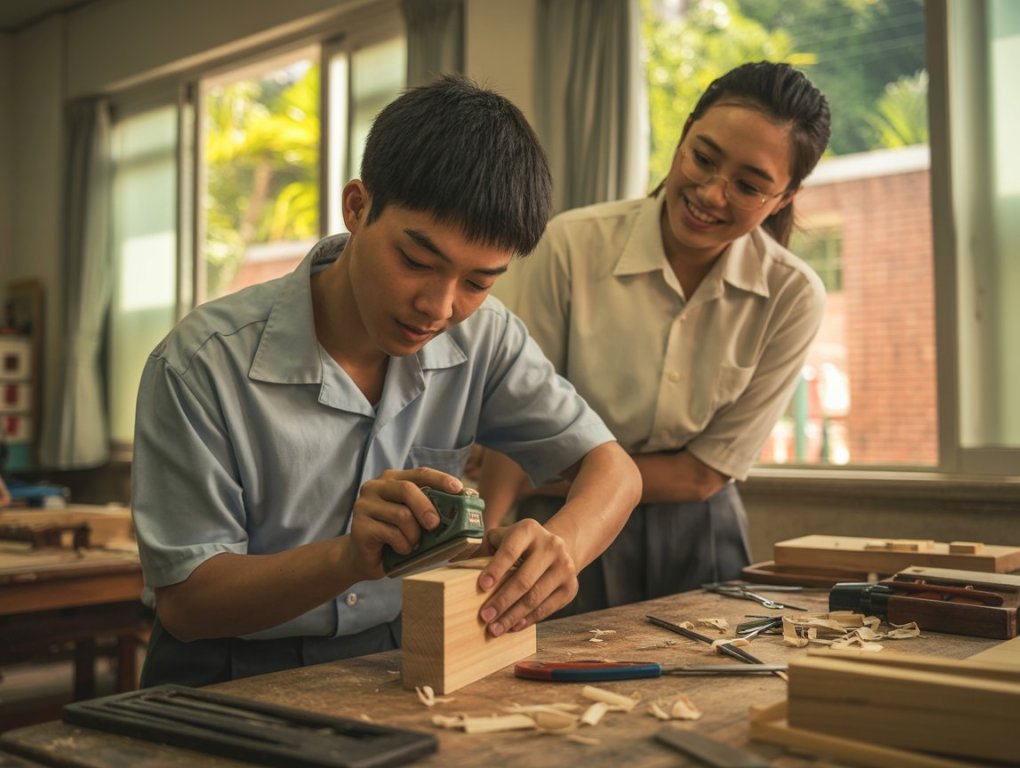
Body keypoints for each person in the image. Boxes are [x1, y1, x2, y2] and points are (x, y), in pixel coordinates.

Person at [131, 75, 642, 687]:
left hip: (394, 655)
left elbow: (614, 470)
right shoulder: (201, 363)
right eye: (416, 262)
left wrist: (561, 548)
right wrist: (347, 558)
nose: (439, 307)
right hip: (223, 667)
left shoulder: (484, 338)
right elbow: (187, 604)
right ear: (356, 207)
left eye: (478, 282)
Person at [479, 61, 831, 614]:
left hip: (700, 534)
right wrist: (481, 535)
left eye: (748, 186)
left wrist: (557, 474)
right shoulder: (572, 245)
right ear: (685, 133)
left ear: (785, 197)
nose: (711, 194)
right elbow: (515, 419)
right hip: (563, 526)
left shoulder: (792, 296)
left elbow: (701, 475)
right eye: (703, 158)